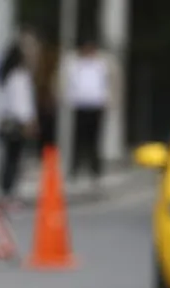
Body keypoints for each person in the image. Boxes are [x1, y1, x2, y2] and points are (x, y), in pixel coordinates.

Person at [0, 44, 38, 209]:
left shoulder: (8, 76)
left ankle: (5, 192)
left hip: (8, 121)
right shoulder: (19, 76)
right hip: (17, 123)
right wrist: (28, 122)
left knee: (8, 159)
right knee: (14, 159)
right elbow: (21, 103)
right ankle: (9, 194)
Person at [65, 38, 110, 187]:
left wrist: (104, 100)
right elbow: (71, 84)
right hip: (81, 104)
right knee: (78, 139)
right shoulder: (76, 65)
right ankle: (75, 168)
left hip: (95, 105)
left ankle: (95, 170)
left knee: (94, 139)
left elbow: (104, 84)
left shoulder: (100, 65)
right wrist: (71, 100)